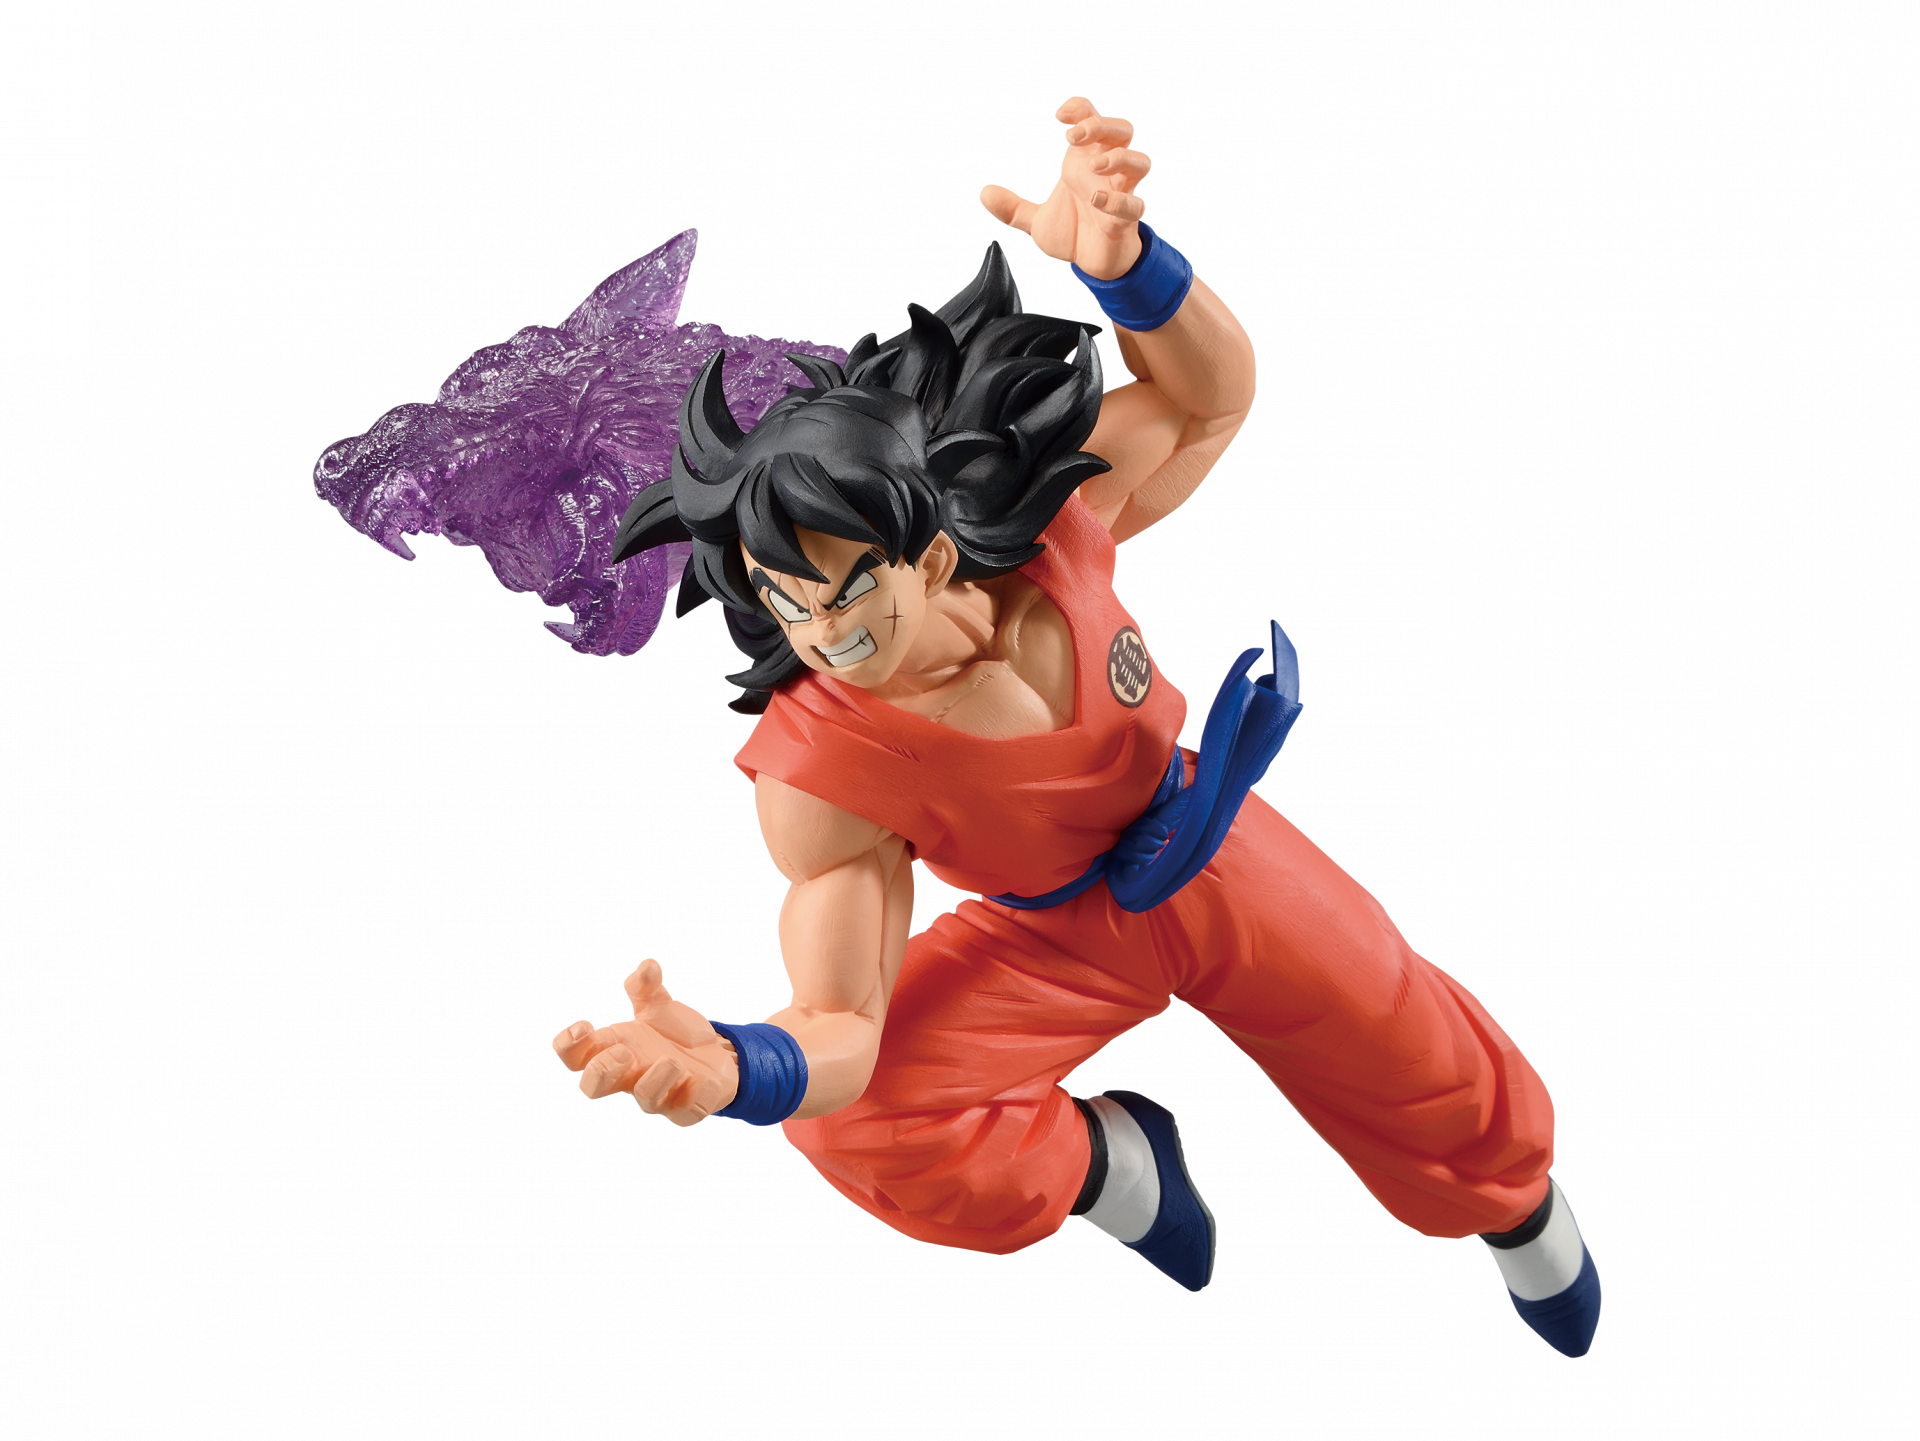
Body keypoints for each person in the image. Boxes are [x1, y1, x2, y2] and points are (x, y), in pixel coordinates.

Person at [548, 96, 1600, 1357]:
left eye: (844, 589)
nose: (819, 631)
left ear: (932, 551)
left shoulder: (1045, 530)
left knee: (1403, 1035)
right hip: (1051, 934)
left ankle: (1516, 1210)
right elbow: (841, 1024)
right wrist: (738, 1065)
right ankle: (1108, 1164)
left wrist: (1132, 273)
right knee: (856, 1123)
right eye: (782, 597)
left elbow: (1210, 401)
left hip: (1207, 848)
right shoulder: (821, 769)